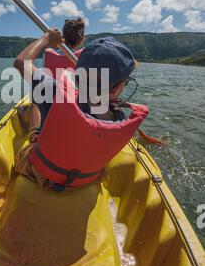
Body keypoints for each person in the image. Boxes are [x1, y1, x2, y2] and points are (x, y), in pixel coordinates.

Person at [13, 29, 149, 191]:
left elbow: (21, 62)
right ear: (117, 88)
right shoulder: (120, 117)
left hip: (38, 172)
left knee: (37, 99)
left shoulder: (55, 93)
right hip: (83, 181)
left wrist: (46, 38)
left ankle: (33, 133)